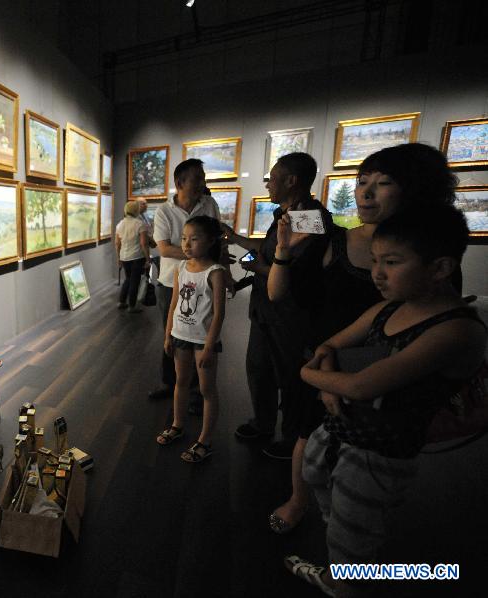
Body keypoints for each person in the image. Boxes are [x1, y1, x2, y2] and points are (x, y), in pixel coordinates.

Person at [285, 205, 486, 597]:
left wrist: (311, 376)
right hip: (342, 431)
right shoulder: (388, 308)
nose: (376, 272)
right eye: (375, 260)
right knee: (332, 501)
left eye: (391, 262)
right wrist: (331, 384)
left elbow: (362, 386)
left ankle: (343, 581)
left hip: (379, 451)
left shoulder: (456, 330)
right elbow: (331, 344)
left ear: (441, 267)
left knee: (353, 536)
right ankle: (352, 553)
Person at [265, 143, 459, 534]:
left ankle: (350, 539)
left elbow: (426, 324)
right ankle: (303, 502)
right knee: (308, 438)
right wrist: (284, 252)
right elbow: (276, 292)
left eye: (383, 182)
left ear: (415, 189)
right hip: (323, 357)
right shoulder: (333, 236)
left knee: (366, 464)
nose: (365, 192)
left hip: (380, 375)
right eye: (361, 181)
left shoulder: (428, 256)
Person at [222, 153, 332, 460]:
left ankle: (292, 437)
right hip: (263, 311)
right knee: (259, 369)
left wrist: (253, 266)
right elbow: (267, 251)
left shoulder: (311, 219)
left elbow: (290, 275)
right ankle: (264, 422)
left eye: (272, 178)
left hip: (290, 316)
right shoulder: (284, 215)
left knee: (290, 376)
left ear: (291, 180)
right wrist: (237, 240)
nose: (268, 184)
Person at [149, 159, 223, 407]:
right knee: (171, 333)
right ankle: (170, 383)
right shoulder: (164, 211)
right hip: (171, 281)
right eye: (198, 179)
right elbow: (164, 249)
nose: (203, 183)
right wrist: (200, 254)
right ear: (180, 183)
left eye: (203, 178)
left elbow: (218, 240)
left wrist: (224, 272)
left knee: (199, 333)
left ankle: (195, 391)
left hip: (203, 283)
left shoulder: (209, 205)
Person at [156, 216, 227, 463]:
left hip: (202, 341)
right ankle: (177, 425)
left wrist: (209, 347)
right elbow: (174, 304)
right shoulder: (181, 268)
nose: (187, 244)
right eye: (184, 238)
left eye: (194, 239)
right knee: (181, 382)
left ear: (209, 242)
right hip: (180, 337)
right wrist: (167, 336)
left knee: (207, 390)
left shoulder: (216, 272)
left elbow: (219, 314)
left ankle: (205, 440)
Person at [115, 201, 150, 312]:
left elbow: (117, 243)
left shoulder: (120, 224)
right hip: (137, 257)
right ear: (136, 210)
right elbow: (144, 243)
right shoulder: (140, 224)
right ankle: (132, 306)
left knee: (128, 279)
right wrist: (148, 259)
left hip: (124, 257)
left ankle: (122, 301)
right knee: (135, 281)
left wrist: (118, 258)